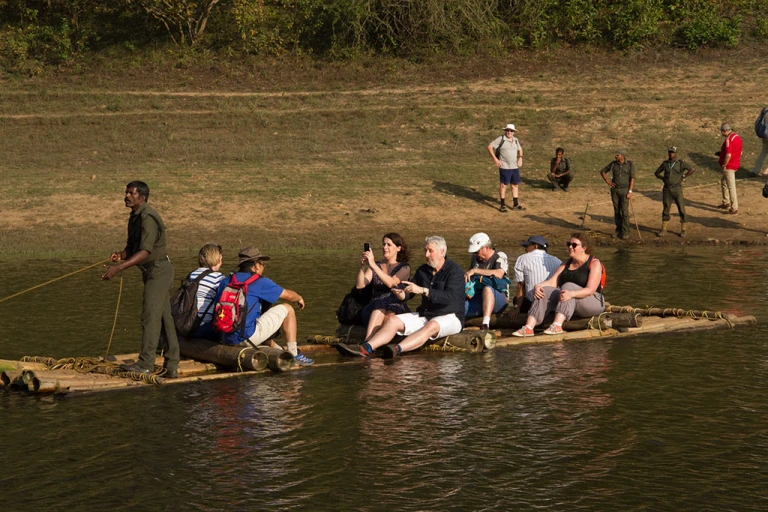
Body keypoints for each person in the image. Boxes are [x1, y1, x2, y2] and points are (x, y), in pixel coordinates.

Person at [336, 236, 464, 359]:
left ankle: (396, 349)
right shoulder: (423, 271)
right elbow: (410, 291)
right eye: (425, 251)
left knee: (432, 325)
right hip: (427, 314)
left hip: (451, 316)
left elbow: (450, 297)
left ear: (442, 252)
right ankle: (366, 348)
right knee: (393, 321)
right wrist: (402, 294)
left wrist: (424, 290)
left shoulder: (454, 271)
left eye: (430, 251)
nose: (426, 255)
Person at [101, 181, 180, 378]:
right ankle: (172, 365)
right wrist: (121, 255)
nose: (126, 196)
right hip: (152, 272)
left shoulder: (147, 217)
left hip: (159, 272)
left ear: (141, 198)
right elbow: (133, 248)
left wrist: (118, 268)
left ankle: (146, 363)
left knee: (149, 316)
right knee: (163, 317)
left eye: (131, 193)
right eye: (126, 192)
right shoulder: (134, 217)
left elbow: (145, 251)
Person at [214, 246, 313, 366]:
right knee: (288, 309)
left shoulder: (227, 280)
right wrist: (299, 298)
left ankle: (280, 351)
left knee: (256, 319)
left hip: (224, 337)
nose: (263, 268)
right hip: (246, 338)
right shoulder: (260, 282)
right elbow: (289, 296)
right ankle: (294, 355)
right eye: (262, 264)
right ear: (256, 266)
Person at [512, 233, 605, 337]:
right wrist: (539, 286)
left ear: (584, 248)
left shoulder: (594, 263)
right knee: (545, 290)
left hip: (593, 301)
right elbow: (552, 282)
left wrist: (571, 293)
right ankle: (529, 327)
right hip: (571, 300)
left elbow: (590, 290)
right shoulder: (566, 263)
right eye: (568, 244)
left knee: (568, 286)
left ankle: (557, 325)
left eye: (574, 245)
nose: (570, 247)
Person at [357, 233, 411, 339]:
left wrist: (372, 265)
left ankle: (370, 344)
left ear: (398, 248)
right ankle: (368, 342)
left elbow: (391, 283)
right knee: (380, 305)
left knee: (390, 315)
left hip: (395, 307)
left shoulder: (404, 267)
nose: (384, 247)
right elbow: (360, 285)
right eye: (383, 244)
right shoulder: (376, 265)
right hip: (374, 309)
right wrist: (362, 266)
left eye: (388, 245)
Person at [508, 235, 562, 321]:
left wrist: (517, 307)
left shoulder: (522, 259)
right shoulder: (558, 261)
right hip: (553, 304)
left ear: (535, 246)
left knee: (516, 300)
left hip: (533, 304)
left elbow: (521, 286)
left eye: (527, 246)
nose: (525, 249)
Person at [464, 232, 510, 330]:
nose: (475, 254)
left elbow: (499, 273)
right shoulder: (475, 258)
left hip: (499, 297)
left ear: (486, 247)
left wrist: (475, 270)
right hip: (478, 297)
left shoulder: (500, 256)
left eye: (477, 252)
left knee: (487, 289)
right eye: (474, 252)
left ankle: (485, 323)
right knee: (459, 307)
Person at [654, 146, 696, 238]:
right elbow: (656, 172)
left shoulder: (680, 163)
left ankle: (683, 230)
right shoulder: (665, 163)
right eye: (670, 152)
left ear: (676, 154)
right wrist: (663, 179)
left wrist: (684, 176)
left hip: (677, 189)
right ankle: (664, 229)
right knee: (666, 208)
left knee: (681, 208)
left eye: (673, 152)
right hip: (667, 189)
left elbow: (692, 169)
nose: (671, 154)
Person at [188, 243, 226, 339]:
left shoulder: (191, 275)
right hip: (204, 328)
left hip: (186, 325)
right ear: (216, 260)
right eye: (220, 259)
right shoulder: (219, 278)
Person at [487, 123, 524, 212]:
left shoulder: (515, 140)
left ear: (514, 132)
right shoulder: (501, 139)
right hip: (504, 166)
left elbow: (520, 149)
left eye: (511, 131)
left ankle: (516, 204)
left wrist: (520, 158)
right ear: (505, 131)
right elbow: (489, 147)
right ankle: (502, 205)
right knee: (504, 185)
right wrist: (495, 159)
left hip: (514, 167)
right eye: (507, 130)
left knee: (515, 185)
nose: (509, 132)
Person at [600, 150, 636, 240]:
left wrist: (630, 191)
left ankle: (626, 231)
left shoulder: (629, 164)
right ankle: (618, 231)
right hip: (615, 190)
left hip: (625, 190)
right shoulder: (613, 164)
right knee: (617, 211)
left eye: (617, 155)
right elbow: (603, 171)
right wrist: (608, 181)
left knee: (624, 212)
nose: (615, 156)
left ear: (622, 155)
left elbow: (632, 178)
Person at [717, 122, 742, 214]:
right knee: (724, 182)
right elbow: (740, 152)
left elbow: (728, 154)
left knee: (731, 186)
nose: (721, 133)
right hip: (735, 164)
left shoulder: (729, 139)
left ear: (725, 131)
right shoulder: (738, 137)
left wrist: (724, 164)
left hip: (729, 166)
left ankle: (734, 207)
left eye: (722, 131)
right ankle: (726, 202)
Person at [750, 107, 768, 177]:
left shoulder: (765, 110)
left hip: (765, 135)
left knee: (763, 153)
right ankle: (766, 172)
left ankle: (755, 171)